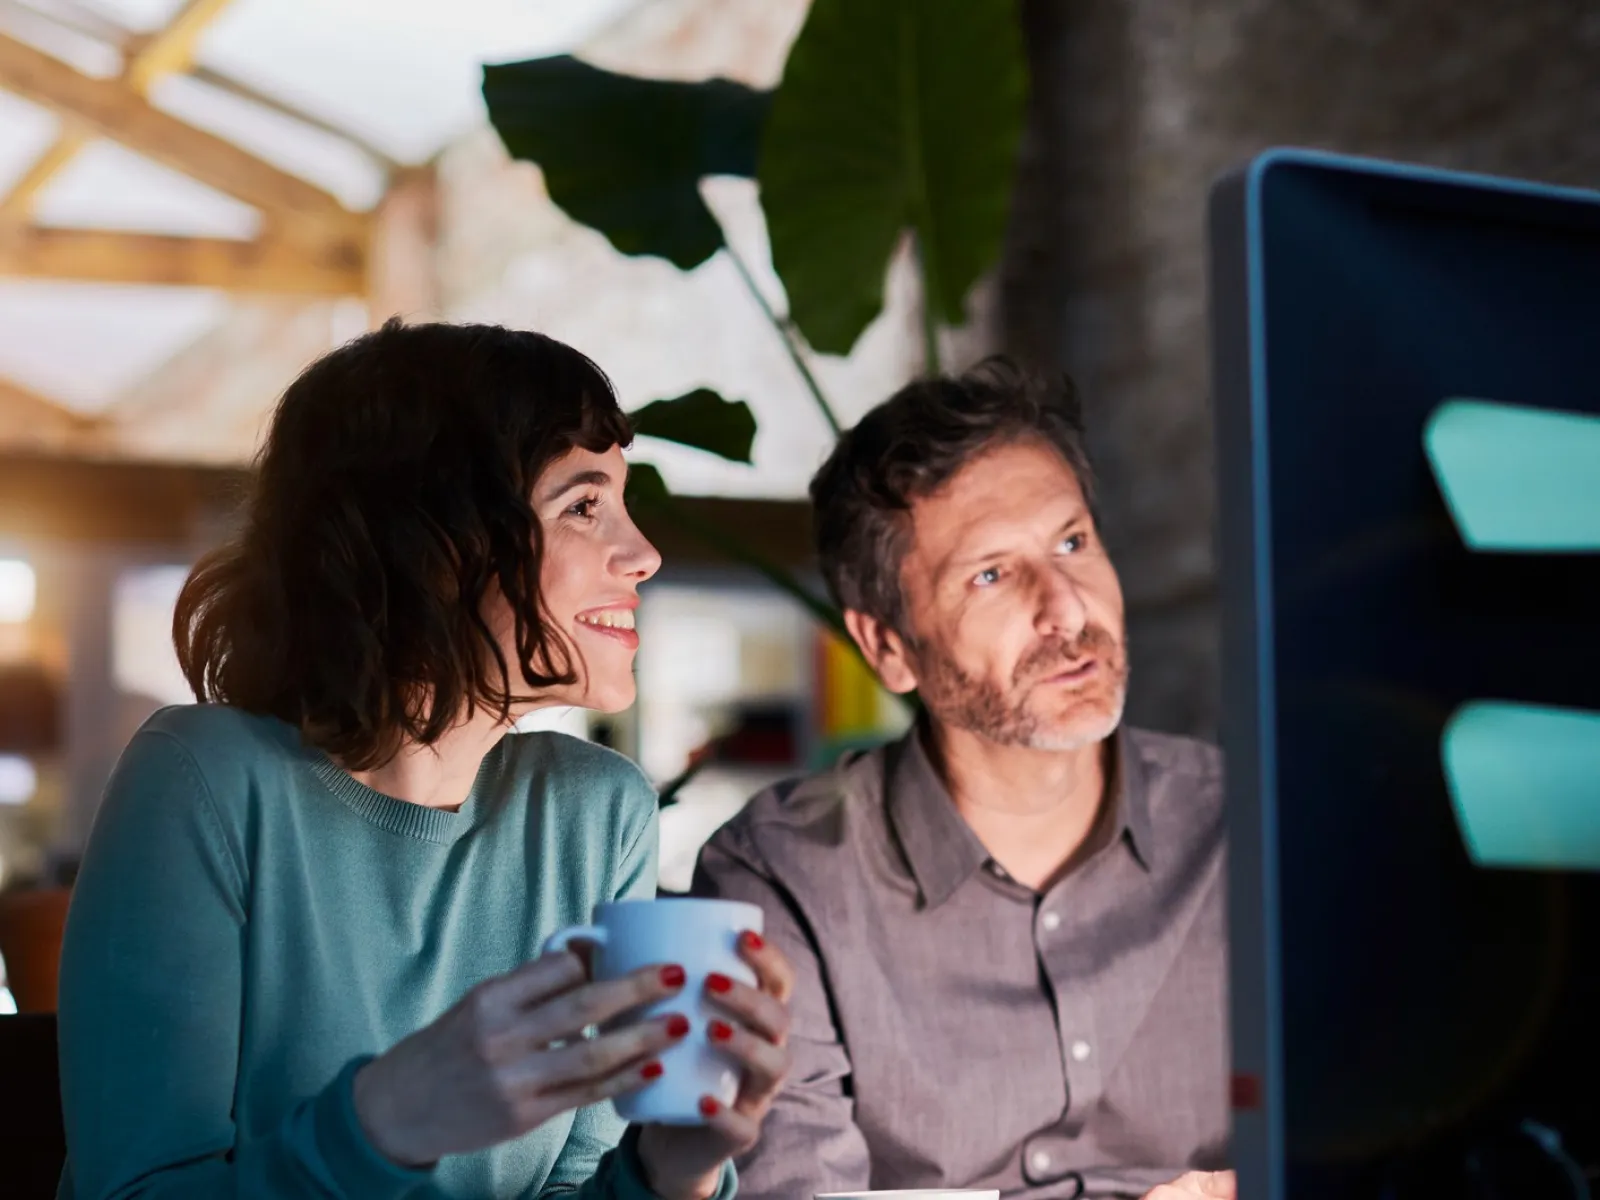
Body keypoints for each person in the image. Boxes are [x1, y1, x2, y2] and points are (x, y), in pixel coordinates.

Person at [55, 320, 793, 1200]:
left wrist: (673, 1171)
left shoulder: (598, 811)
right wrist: (384, 1124)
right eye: (582, 506)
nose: (643, 555)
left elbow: (574, 1188)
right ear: (435, 545)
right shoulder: (206, 780)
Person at [692, 360, 1233, 1200]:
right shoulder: (784, 877)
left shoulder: (1247, 824)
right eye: (991, 574)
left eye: (1073, 542)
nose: (1066, 609)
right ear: (889, 649)